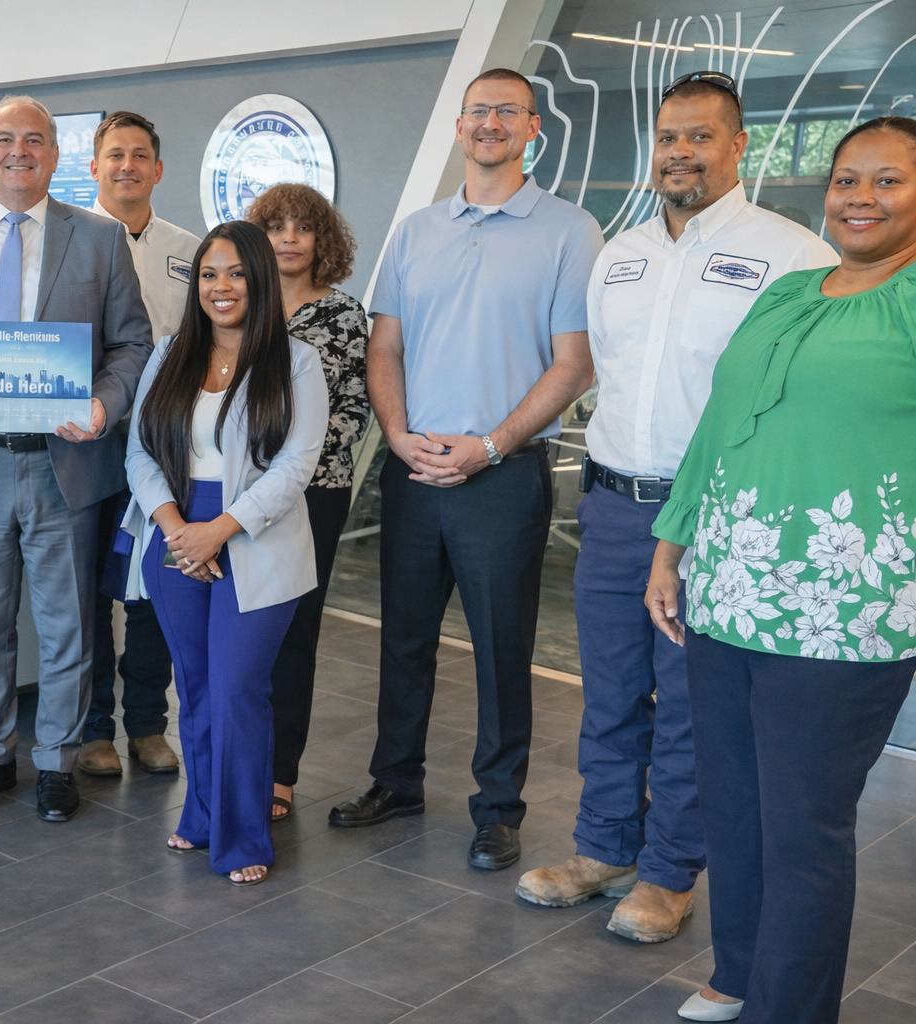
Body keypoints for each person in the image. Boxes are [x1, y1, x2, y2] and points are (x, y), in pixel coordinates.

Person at [514, 74, 837, 944]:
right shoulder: (618, 255)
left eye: (699, 136)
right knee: (611, 692)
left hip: (715, 517)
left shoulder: (793, 257)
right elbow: (606, 378)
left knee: (691, 703)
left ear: (739, 146)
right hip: (614, 505)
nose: (679, 153)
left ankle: (667, 873)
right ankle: (603, 847)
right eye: (667, 137)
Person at [647, 116, 916, 1024]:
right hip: (728, 589)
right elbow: (718, 427)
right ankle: (739, 974)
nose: (860, 198)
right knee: (735, 803)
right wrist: (671, 547)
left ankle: (789, 1009)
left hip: (846, 610)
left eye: (888, 181)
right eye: (847, 179)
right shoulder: (790, 291)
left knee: (803, 824)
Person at [330, 68, 603, 874]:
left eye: (506, 112)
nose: (490, 123)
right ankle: (395, 781)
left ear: (532, 131)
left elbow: (573, 364)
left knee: (500, 648)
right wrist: (398, 434)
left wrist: (490, 444)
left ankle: (498, 808)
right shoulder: (416, 231)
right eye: (478, 110)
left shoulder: (569, 229)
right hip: (413, 467)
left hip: (503, 474)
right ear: (459, 125)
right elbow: (385, 347)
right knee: (403, 641)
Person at [0, 95, 153, 823]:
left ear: (55, 156)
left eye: (35, 140)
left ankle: (55, 760)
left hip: (66, 463)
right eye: (4, 140)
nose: (19, 150)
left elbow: (133, 344)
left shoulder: (101, 239)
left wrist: (103, 406)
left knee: (66, 627)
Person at [125, 219, 328, 884]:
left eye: (236, 273)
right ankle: (202, 815)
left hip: (254, 536)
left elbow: (296, 467)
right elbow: (141, 451)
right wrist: (175, 524)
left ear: (260, 280)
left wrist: (220, 530)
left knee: (239, 686)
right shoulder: (169, 353)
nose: (221, 286)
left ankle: (242, 838)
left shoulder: (295, 362)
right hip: (175, 531)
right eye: (210, 273)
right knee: (198, 684)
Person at [78, 110, 200, 779]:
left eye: (140, 155)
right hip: (88, 447)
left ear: (158, 168)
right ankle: (95, 728)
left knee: (156, 591)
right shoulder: (68, 241)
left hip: (164, 450)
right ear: (94, 166)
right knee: (91, 595)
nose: (127, 165)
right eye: (114, 154)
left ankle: (149, 725)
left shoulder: (191, 250)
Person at [245, 183, 369, 821]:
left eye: (303, 227)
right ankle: (234, 757)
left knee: (293, 629)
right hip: (235, 496)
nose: (289, 238)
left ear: (324, 240)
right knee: (241, 630)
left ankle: (279, 774)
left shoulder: (344, 315)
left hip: (314, 495)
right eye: (276, 226)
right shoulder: (238, 303)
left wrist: (286, 475)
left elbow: (352, 411)